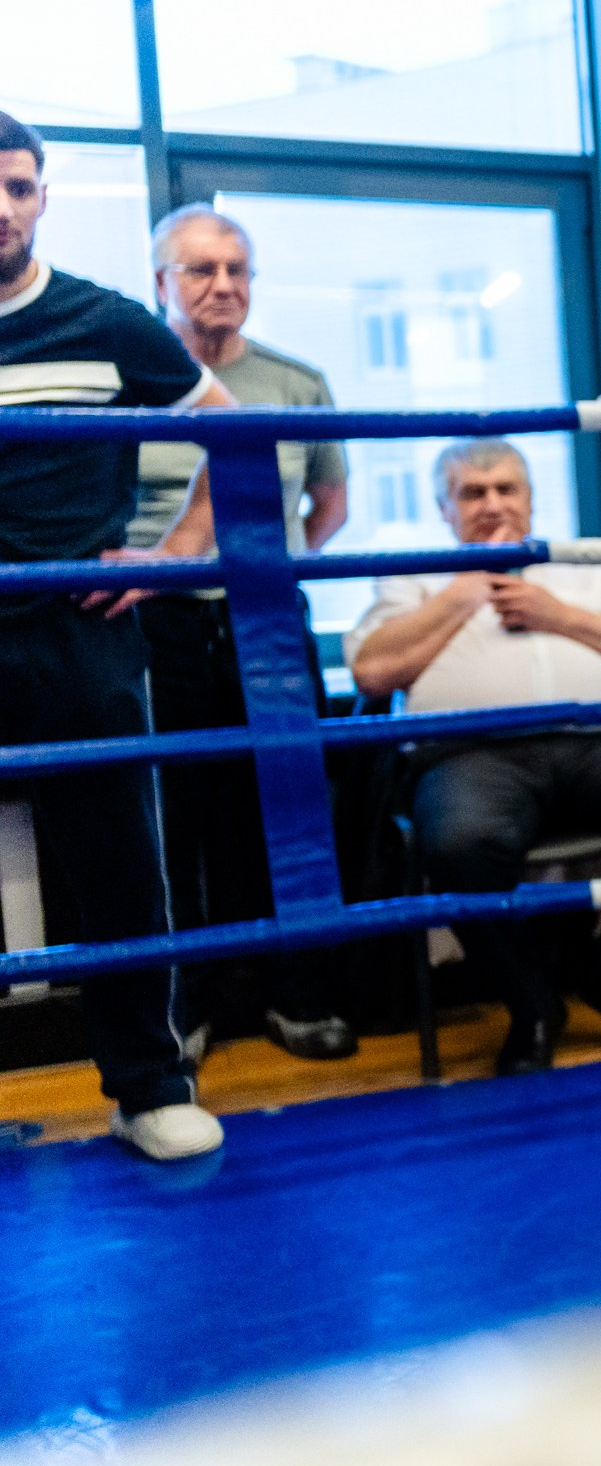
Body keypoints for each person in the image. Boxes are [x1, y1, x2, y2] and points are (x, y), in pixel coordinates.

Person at [345, 439, 601, 1075]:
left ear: (531, 499)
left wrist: (556, 615)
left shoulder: (585, 568)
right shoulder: (416, 573)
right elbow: (371, 673)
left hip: (596, 745)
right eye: (472, 493)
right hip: (471, 754)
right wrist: (460, 594)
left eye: (507, 489)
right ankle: (531, 1001)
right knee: (458, 844)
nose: (492, 504)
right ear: (444, 507)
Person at [0, 110, 238, 1161]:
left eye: (17, 186)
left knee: (117, 862)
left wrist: (171, 553)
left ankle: (147, 1084)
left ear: (42, 197)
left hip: (78, 630)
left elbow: (230, 425)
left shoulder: (101, 322)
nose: (1, 208)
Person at [130, 204, 356, 1061]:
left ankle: (299, 999)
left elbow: (329, 504)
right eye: (200, 270)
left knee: (291, 805)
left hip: (268, 618)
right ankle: (181, 1011)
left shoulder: (297, 382)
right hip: (157, 627)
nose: (222, 286)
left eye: (237, 270)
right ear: (162, 284)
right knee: (169, 820)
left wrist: (267, 560)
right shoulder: (129, 379)